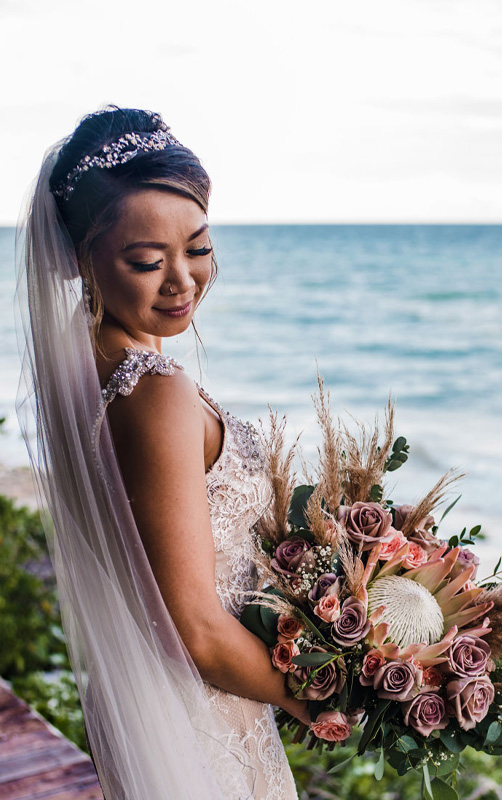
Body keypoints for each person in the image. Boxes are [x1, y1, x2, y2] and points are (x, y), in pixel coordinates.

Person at [15, 106, 308, 800]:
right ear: (81, 261)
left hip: (160, 720)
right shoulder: (153, 392)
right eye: (147, 261)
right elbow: (198, 629)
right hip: (204, 733)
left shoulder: (88, 375)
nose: (182, 280)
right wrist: (327, 697)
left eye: (198, 247)